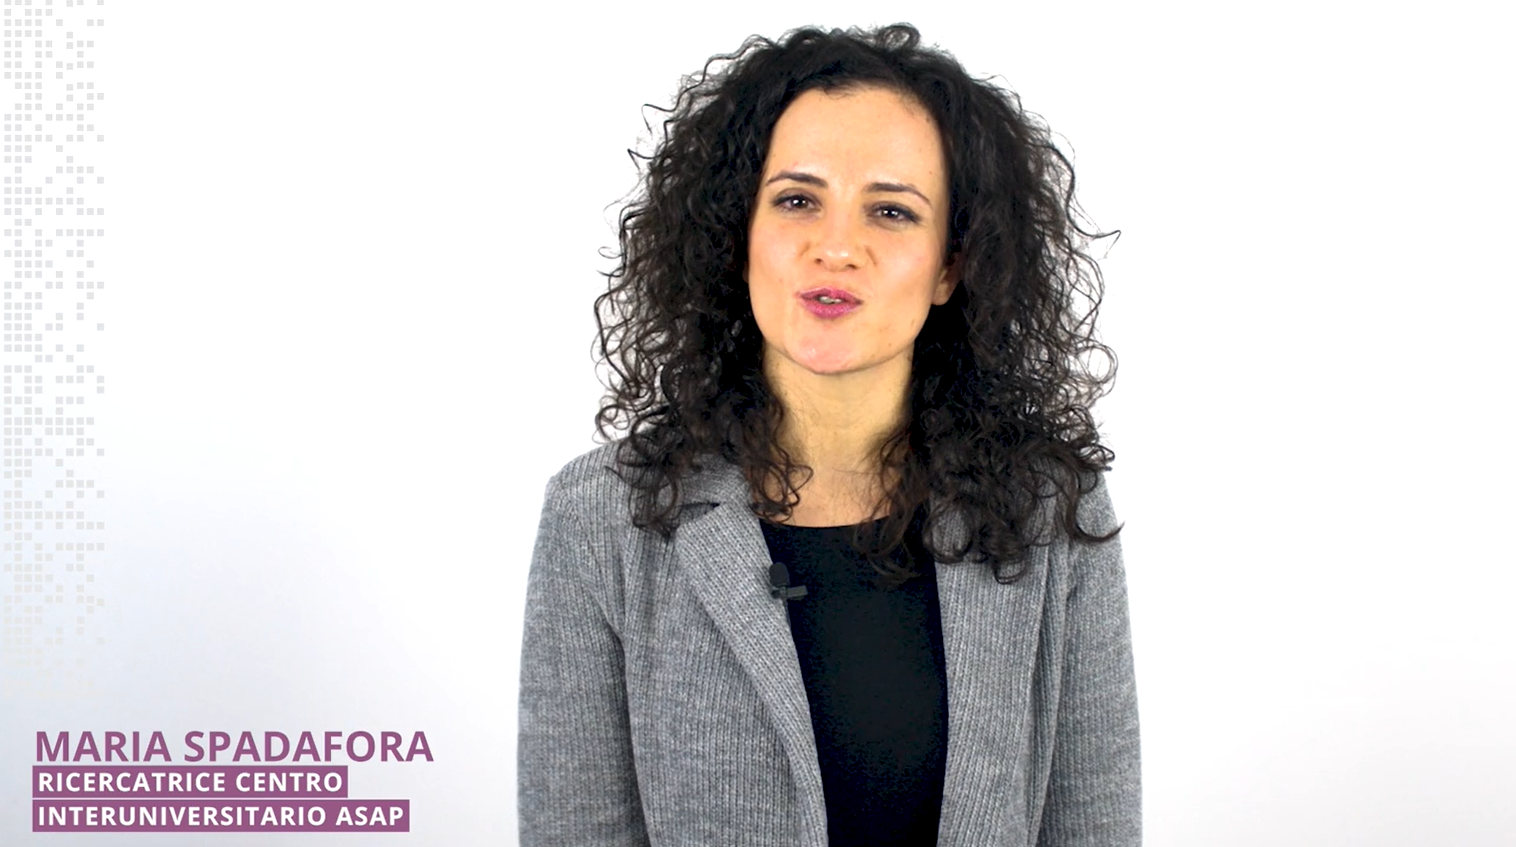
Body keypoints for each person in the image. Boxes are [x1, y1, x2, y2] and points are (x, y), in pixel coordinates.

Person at [518, 23, 1138, 847]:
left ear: (951, 266)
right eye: (797, 200)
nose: (837, 247)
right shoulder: (600, 517)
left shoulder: (1053, 506)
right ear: (738, 237)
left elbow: (1095, 824)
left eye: (891, 211)